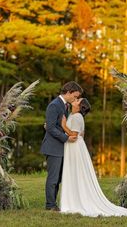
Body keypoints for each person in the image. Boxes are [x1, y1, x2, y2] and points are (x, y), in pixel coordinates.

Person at [60, 98, 127, 217]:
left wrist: (63, 125)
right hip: (75, 147)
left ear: (80, 107)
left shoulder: (76, 117)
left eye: (77, 100)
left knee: (75, 172)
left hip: (74, 148)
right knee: (74, 172)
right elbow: (82, 133)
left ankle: (75, 200)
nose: (75, 100)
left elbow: (74, 135)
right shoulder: (74, 115)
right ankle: (72, 198)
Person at [40, 81, 83, 211]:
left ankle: (55, 204)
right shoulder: (54, 105)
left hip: (61, 147)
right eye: (75, 96)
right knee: (53, 178)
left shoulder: (65, 106)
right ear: (68, 92)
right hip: (53, 147)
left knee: (58, 178)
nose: (76, 99)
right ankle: (50, 205)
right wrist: (66, 138)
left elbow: (55, 125)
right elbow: (51, 128)